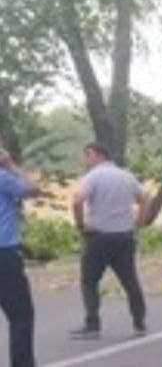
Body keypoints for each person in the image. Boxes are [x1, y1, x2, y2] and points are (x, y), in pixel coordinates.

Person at [71, 142, 152, 338]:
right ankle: (139, 322)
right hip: (124, 236)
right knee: (130, 281)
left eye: (86, 156)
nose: (85, 161)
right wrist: (138, 224)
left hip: (99, 236)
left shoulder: (93, 177)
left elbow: (77, 200)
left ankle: (92, 325)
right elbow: (144, 199)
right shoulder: (126, 175)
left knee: (89, 281)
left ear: (96, 155)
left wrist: (81, 225)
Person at [0, 147, 38, 367]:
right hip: (4, 252)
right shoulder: (4, 178)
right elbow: (33, 189)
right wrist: (11, 165)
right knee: (21, 314)